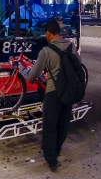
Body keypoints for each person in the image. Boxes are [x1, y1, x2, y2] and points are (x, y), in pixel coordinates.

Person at [18, 19, 79, 172]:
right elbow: (79, 62)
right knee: (63, 124)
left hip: (53, 93)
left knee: (50, 127)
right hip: (68, 91)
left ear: (48, 33)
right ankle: (57, 150)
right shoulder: (70, 46)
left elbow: (32, 75)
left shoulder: (46, 51)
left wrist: (20, 69)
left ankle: (51, 160)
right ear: (59, 31)